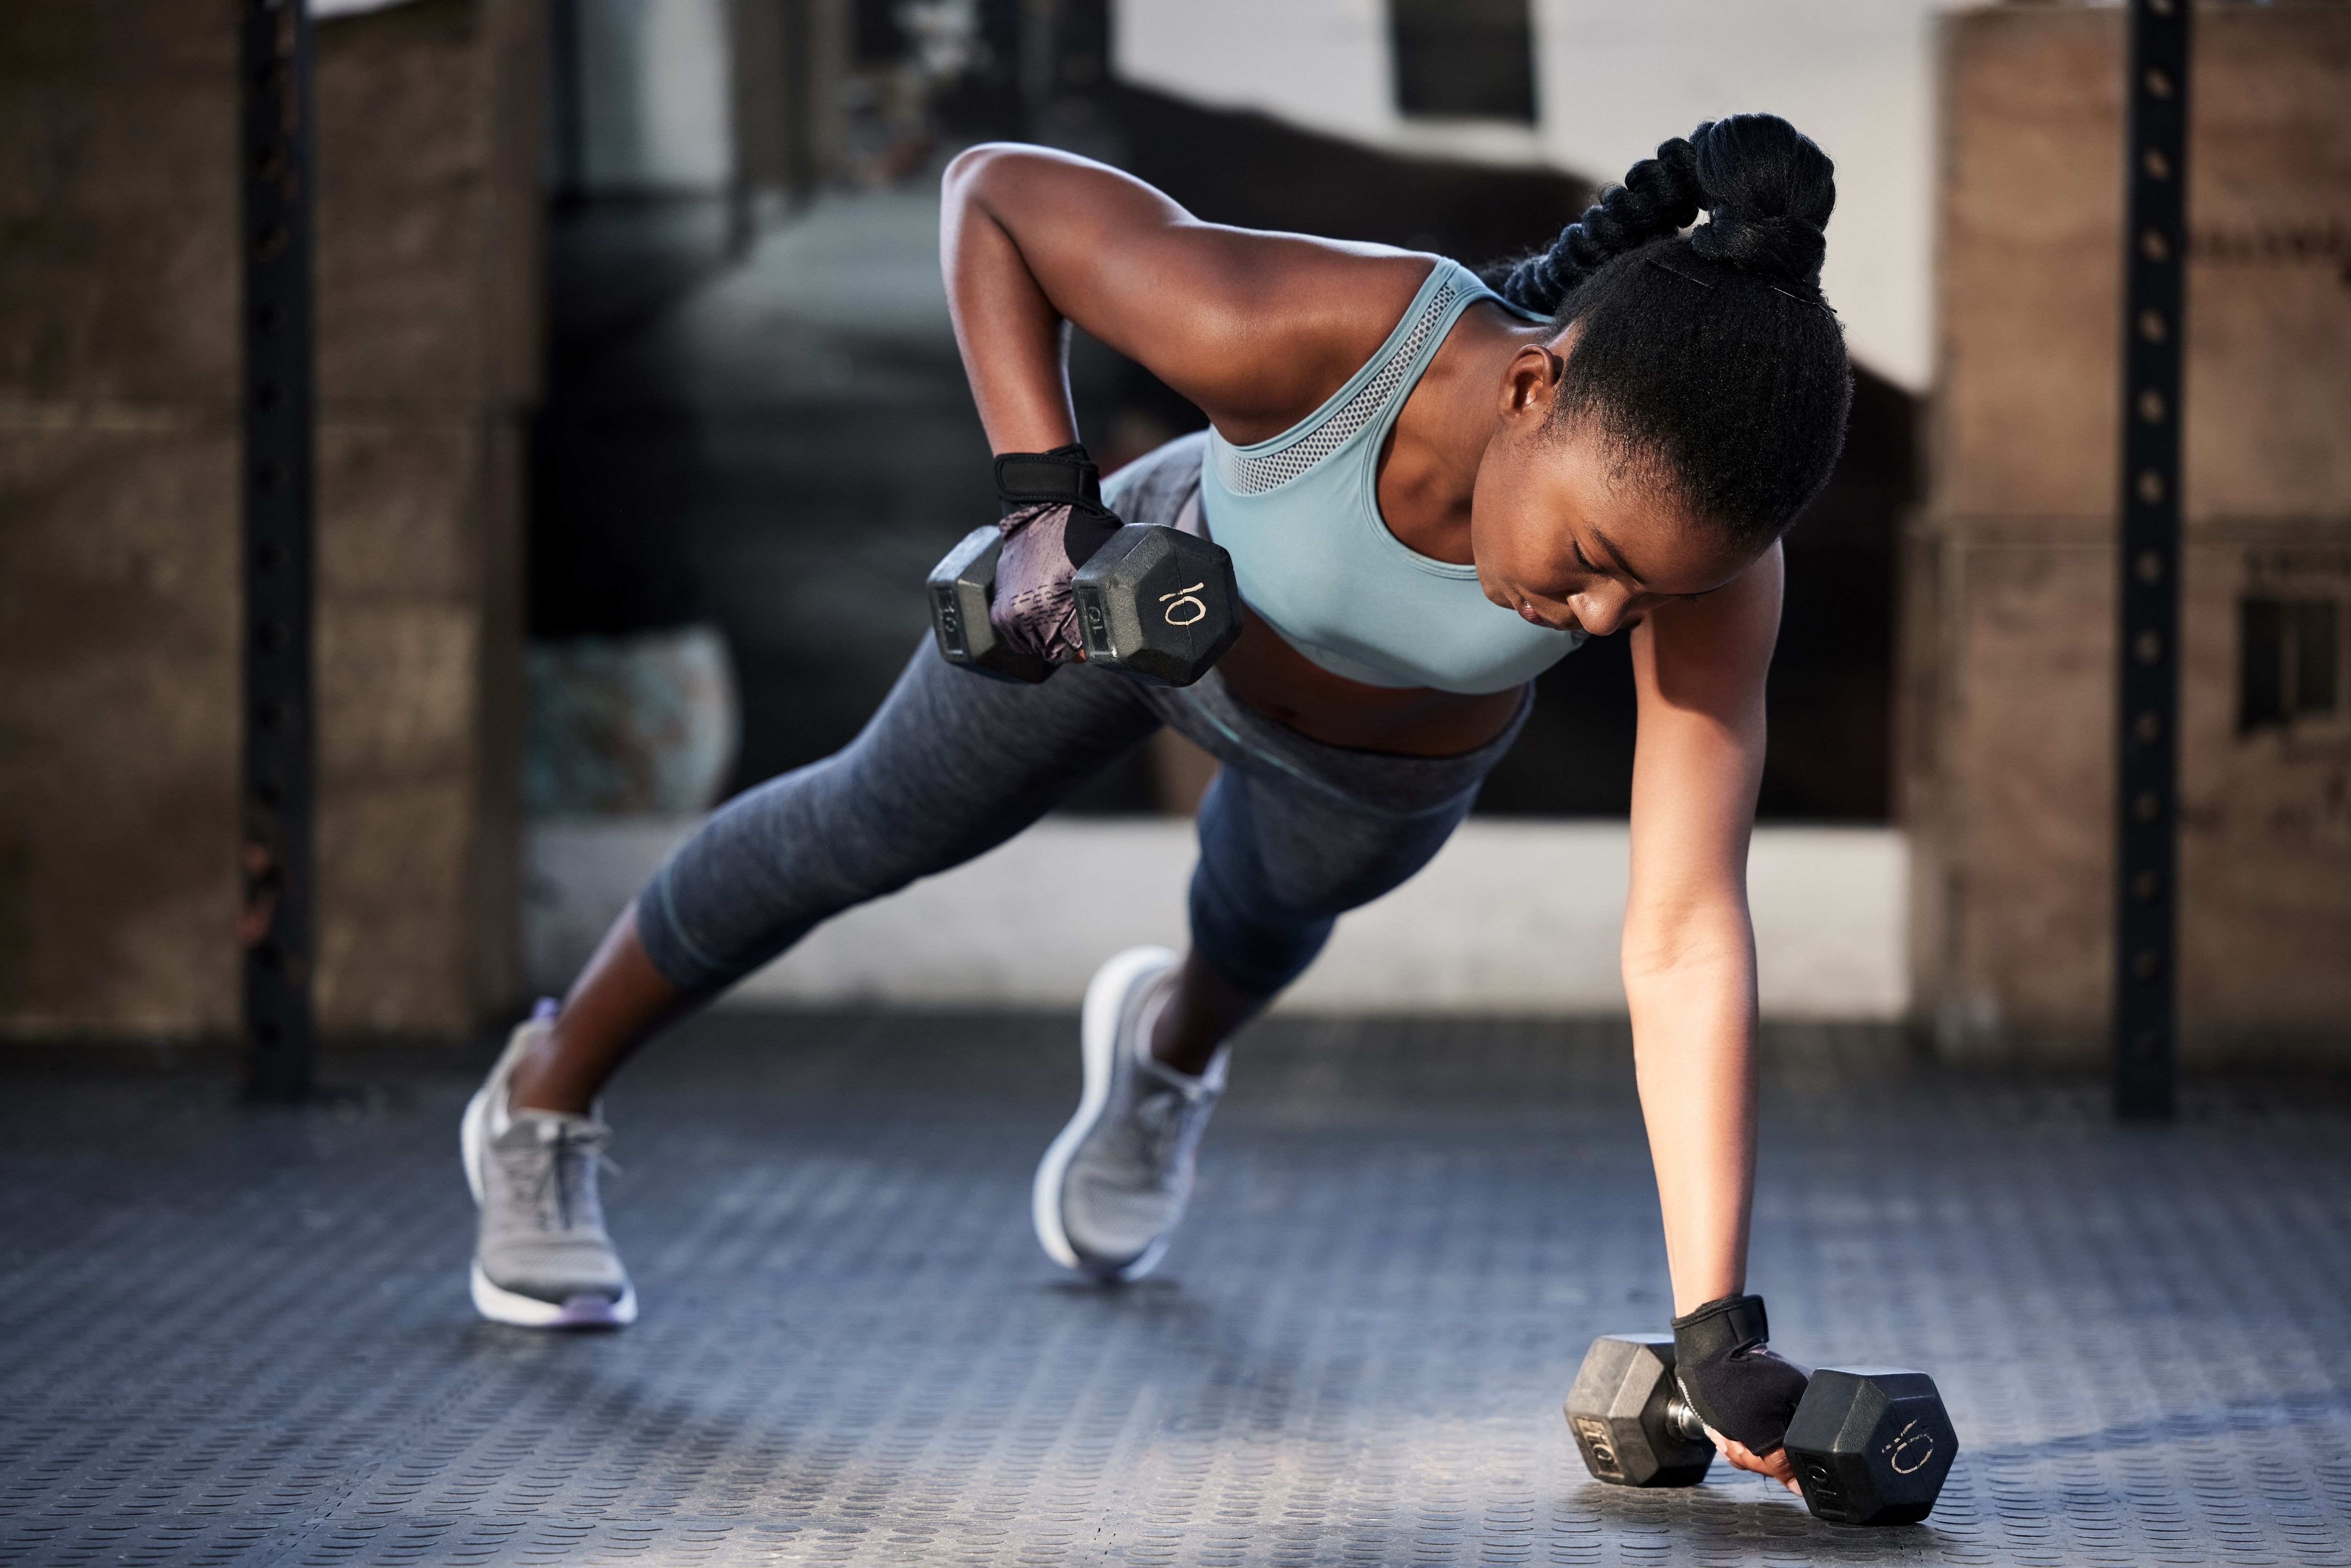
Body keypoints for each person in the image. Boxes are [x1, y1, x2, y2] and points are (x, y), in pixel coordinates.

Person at [460, 115, 1850, 1493]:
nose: (1607, 618)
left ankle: (1163, 1058)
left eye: (1650, 598)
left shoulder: (1717, 572)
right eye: (1598, 559)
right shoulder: (1324, 335)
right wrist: (1041, 509)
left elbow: (1681, 934)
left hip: (1381, 771)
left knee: (1257, 921)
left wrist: (1714, 1329)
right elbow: (994, 197)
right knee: (862, 827)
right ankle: (544, 1094)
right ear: (1533, 389)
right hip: (1138, 603)